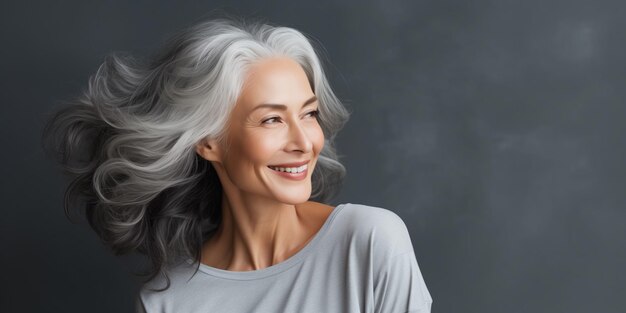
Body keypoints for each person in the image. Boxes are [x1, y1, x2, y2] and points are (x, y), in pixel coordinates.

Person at [42, 14, 432, 313]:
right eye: (272, 119)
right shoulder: (170, 301)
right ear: (208, 141)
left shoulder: (370, 240)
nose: (304, 142)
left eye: (309, 114)